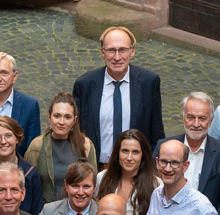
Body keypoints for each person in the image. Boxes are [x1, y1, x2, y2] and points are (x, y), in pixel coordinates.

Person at [71, 26, 165, 163]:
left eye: (122, 50)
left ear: (132, 51)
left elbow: (156, 133)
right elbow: (76, 133)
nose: (117, 57)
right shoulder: (84, 85)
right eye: (111, 50)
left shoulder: (148, 83)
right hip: (96, 168)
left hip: (136, 170)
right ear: (102, 52)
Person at [155, 92, 220, 215]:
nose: (196, 124)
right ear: (183, 118)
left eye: (202, 118)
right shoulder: (164, 146)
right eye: (191, 117)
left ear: (211, 121)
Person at [141, 139, 220, 215]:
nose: (168, 168)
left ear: (186, 166)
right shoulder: (156, 195)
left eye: (174, 163)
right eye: (163, 162)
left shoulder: (202, 208)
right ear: (157, 162)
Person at [25, 92, 98, 205]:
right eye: (57, 116)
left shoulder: (86, 146)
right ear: (49, 117)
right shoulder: (37, 146)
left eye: (67, 117)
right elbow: (29, 186)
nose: (61, 122)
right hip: (45, 213)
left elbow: (92, 185)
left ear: (74, 120)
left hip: (77, 211)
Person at [95, 129, 157, 215]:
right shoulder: (102, 178)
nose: (129, 157)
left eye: (135, 152)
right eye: (125, 151)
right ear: (117, 153)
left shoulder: (155, 185)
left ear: (143, 155)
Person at [0, 116, 44, 215]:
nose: (3, 141)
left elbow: (36, 211)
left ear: (17, 138)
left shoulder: (31, 174)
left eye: (8, 136)